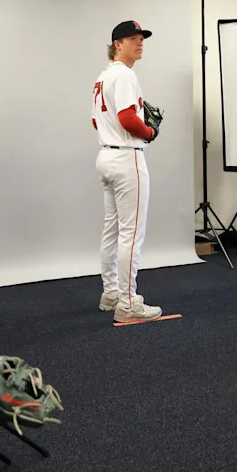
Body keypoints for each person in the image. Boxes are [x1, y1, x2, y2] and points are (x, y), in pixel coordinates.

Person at [91, 21, 162, 323]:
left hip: (106, 156)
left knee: (112, 230)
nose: (140, 43)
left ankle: (111, 293)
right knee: (131, 234)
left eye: (141, 38)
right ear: (117, 44)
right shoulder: (125, 74)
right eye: (133, 39)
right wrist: (149, 132)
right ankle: (128, 303)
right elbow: (127, 118)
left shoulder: (104, 76)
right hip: (127, 158)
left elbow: (98, 122)